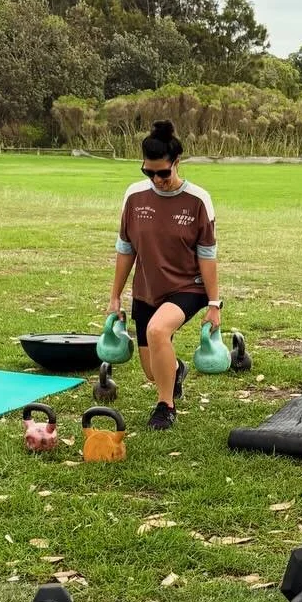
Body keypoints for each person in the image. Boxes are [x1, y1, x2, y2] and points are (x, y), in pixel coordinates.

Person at [109, 121, 221, 431]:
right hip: (147, 290)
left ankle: (165, 407)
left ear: (177, 163)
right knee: (151, 370)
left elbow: (207, 255)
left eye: (163, 173)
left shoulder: (198, 200)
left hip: (187, 287)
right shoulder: (134, 196)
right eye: (149, 172)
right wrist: (115, 296)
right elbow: (125, 248)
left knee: (158, 331)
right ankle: (175, 370)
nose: (156, 179)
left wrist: (214, 303)